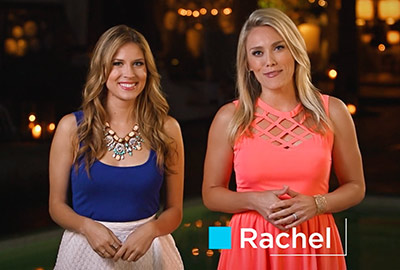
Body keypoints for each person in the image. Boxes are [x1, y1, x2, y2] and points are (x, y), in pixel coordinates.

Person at [202, 8, 365, 270]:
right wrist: (254, 200)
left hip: (315, 242)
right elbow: (211, 195)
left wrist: (317, 203)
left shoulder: (333, 111)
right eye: (257, 52)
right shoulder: (228, 117)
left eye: (278, 48)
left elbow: (356, 187)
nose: (269, 61)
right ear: (247, 63)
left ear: (295, 51)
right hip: (247, 247)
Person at [49, 25, 184, 269]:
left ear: (148, 70)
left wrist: (152, 229)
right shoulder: (71, 128)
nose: (129, 73)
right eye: (117, 63)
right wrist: (86, 227)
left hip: (149, 253)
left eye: (138, 64)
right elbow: (56, 206)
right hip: (85, 251)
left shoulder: (168, 129)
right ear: (101, 69)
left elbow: (175, 210)